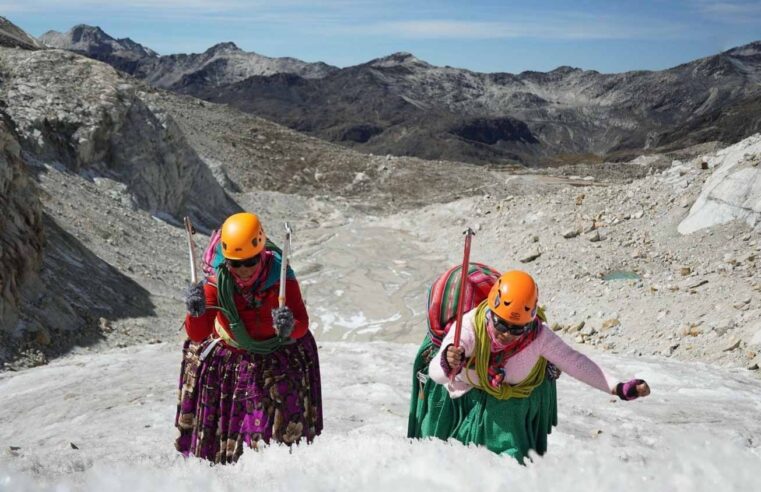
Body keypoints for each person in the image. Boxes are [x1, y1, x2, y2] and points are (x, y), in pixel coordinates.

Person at [414, 270, 649, 463]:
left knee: (509, 459)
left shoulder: (538, 336)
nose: (507, 334)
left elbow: (574, 362)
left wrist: (617, 387)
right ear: (490, 313)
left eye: (517, 328)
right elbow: (437, 374)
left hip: (513, 399)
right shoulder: (469, 327)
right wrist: (448, 361)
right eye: (501, 325)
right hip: (465, 393)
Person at [175, 212, 322, 463]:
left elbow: (302, 324)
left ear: (262, 253)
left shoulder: (282, 277)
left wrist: (288, 327)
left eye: (250, 261)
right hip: (233, 361)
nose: (242, 270)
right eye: (235, 263)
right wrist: (195, 310)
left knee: (274, 435)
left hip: (275, 358)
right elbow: (198, 333)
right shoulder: (216, 282)